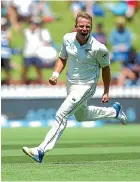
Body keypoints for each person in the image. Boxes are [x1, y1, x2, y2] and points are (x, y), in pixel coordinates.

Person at [22, 12, 127, 163]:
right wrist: (55, 75)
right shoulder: (67, 38)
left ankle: (41, 150)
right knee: (81, 115)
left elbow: (106, 69)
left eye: (88, 26)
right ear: (76, 27)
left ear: (91, 28)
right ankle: (114, 111)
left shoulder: (99, 48)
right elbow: (62, 58)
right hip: (71, 84)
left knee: (62, 114)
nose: (84, 29)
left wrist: (106, 91)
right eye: (81, 26)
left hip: (87, 86)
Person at [22, 16, 57, 84]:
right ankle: (23, 81)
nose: (34, 25)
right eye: (32, 23)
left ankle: (40, 81)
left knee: (38, 68)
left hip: (38, 53)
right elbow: (19, 27)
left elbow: (47, 42)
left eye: (36, 23)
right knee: (26, 68)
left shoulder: (43, 32)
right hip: (28, 53)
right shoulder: (27, 31)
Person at [1, 17, 12, 84]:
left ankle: (9, 82)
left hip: (6, 54)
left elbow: (9, 39)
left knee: (7, 69)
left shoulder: (7, 32)